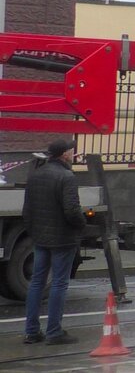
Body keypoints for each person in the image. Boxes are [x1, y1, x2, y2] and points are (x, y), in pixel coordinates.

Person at [23, 139, 86, 345]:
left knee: (37, 282)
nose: (73, 154)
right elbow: (72, 210)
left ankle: (31, 332)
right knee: (59, 283)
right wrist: (80, 225)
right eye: (71, 151)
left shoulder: (35, 175)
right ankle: (54, 332)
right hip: (63, 239)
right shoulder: (67, 177)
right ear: (64, 154)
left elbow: (27, 210)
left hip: (40, 238)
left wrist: (34, 232)